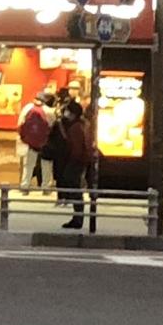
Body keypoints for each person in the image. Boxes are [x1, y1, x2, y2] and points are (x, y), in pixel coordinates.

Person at [52, 98, 92, 231]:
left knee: (75, 189)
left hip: (76, 161)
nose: (66, 113)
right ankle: (77, 217)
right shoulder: (85, 124)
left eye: (68, 111)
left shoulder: (75, 127)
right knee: (76, 189)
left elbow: (76, 148)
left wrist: (71, 161)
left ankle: (78, 218)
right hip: (82, 160)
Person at [17, 89, 54, 188]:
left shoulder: (27, 108)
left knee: (28, 165)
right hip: (45, 143)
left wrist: (24, 138)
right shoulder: (48, 111)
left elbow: (20, 124)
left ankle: (25, 185)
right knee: (46, 165)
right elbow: (53, 126)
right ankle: (45, 186)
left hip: (29, 143)